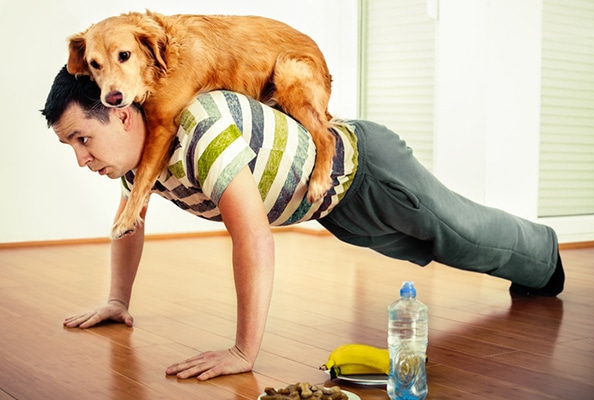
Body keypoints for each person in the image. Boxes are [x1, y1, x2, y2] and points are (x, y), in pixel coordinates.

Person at [41, 66, 564, 381]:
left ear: (124, 111)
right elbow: (128, 224)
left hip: (367, 171)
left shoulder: (197, 127)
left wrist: (245, 351)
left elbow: (251, 234)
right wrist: (117, 300)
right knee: (432, 249)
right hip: (332, 206)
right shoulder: (141, 164)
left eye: (83, 139)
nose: (82, 159)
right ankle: (531, 266)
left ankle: (546, 258)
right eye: (70, 147)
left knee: (462, 235)